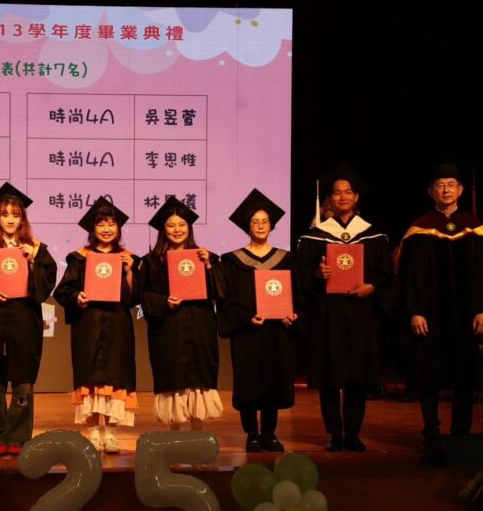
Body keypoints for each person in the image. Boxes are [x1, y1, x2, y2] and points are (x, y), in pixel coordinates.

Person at [397, 163, 483, 463]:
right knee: (428, 376)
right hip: (430, 316)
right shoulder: (418, 231)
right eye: (440, 185)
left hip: (466, 317)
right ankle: (431, 434)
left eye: (451, 184)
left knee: (463, 376)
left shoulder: (476, 230)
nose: (445, 189)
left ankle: (460, 434)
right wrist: (415, 311)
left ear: (460, 190)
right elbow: (408, 276)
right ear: (430, 191)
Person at [296, 162, 392, 452]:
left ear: (356, 197)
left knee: (357, 376)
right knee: (330, 375)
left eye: (348, 192)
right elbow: (300, 276)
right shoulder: (315, 236)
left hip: (362, 312)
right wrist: (317, 275)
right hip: (328, 314)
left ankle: (353, 433)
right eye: (337, 193)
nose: (342, 197)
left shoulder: (373, 236)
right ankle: (334, 434)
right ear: (329, 199)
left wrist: (371, 287)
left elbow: (386, 274)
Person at [0, 182, 57, 455]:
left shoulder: (36, 249)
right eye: (5, 214)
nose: (10, 219)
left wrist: (32, 263)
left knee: (23, 378)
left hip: (25, 319)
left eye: (16, 214)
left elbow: (47, 283)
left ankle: (17, 436)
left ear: (22, 218)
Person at [53, 197, 140, 454]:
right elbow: (63, 291)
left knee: (116, 378)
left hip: (118, 326)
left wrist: (129, 272)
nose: (106, 228)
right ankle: (92, 433)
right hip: (88, 326)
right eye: (101, 223)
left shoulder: (128, 259)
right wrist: (77, 297)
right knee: (89, 379)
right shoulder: (79, 259)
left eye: (111, 223)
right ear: (92, 229)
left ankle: (111, 435)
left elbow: (134, 299)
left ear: (118, 228)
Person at [217, 189, 299, 453]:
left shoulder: (287, 259)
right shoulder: (232, 261)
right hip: (248, 331)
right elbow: (227, 297)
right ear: (247, 227)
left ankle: (270, 434)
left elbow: (296, 294)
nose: (261, 226)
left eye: (265, 221)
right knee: (249, 381)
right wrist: (246, 317)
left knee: (274, 381)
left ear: (271, 225)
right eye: (255, 222)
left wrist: (293, 313)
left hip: (277, 330)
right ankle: (252, 434)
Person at [139, 197, 223, 431]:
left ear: (189, 227)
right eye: (171, 225)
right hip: (168, 329)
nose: (177, 230)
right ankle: (173, 436)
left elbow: (222, 291)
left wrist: (209, 267)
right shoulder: (152, 262)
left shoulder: (204, 257)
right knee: (172, 378)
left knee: (199, 378)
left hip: (199, 326)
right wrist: (164, 301)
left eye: (182, 224)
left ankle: (198, 434)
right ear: (163, 230)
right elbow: (143, 296)